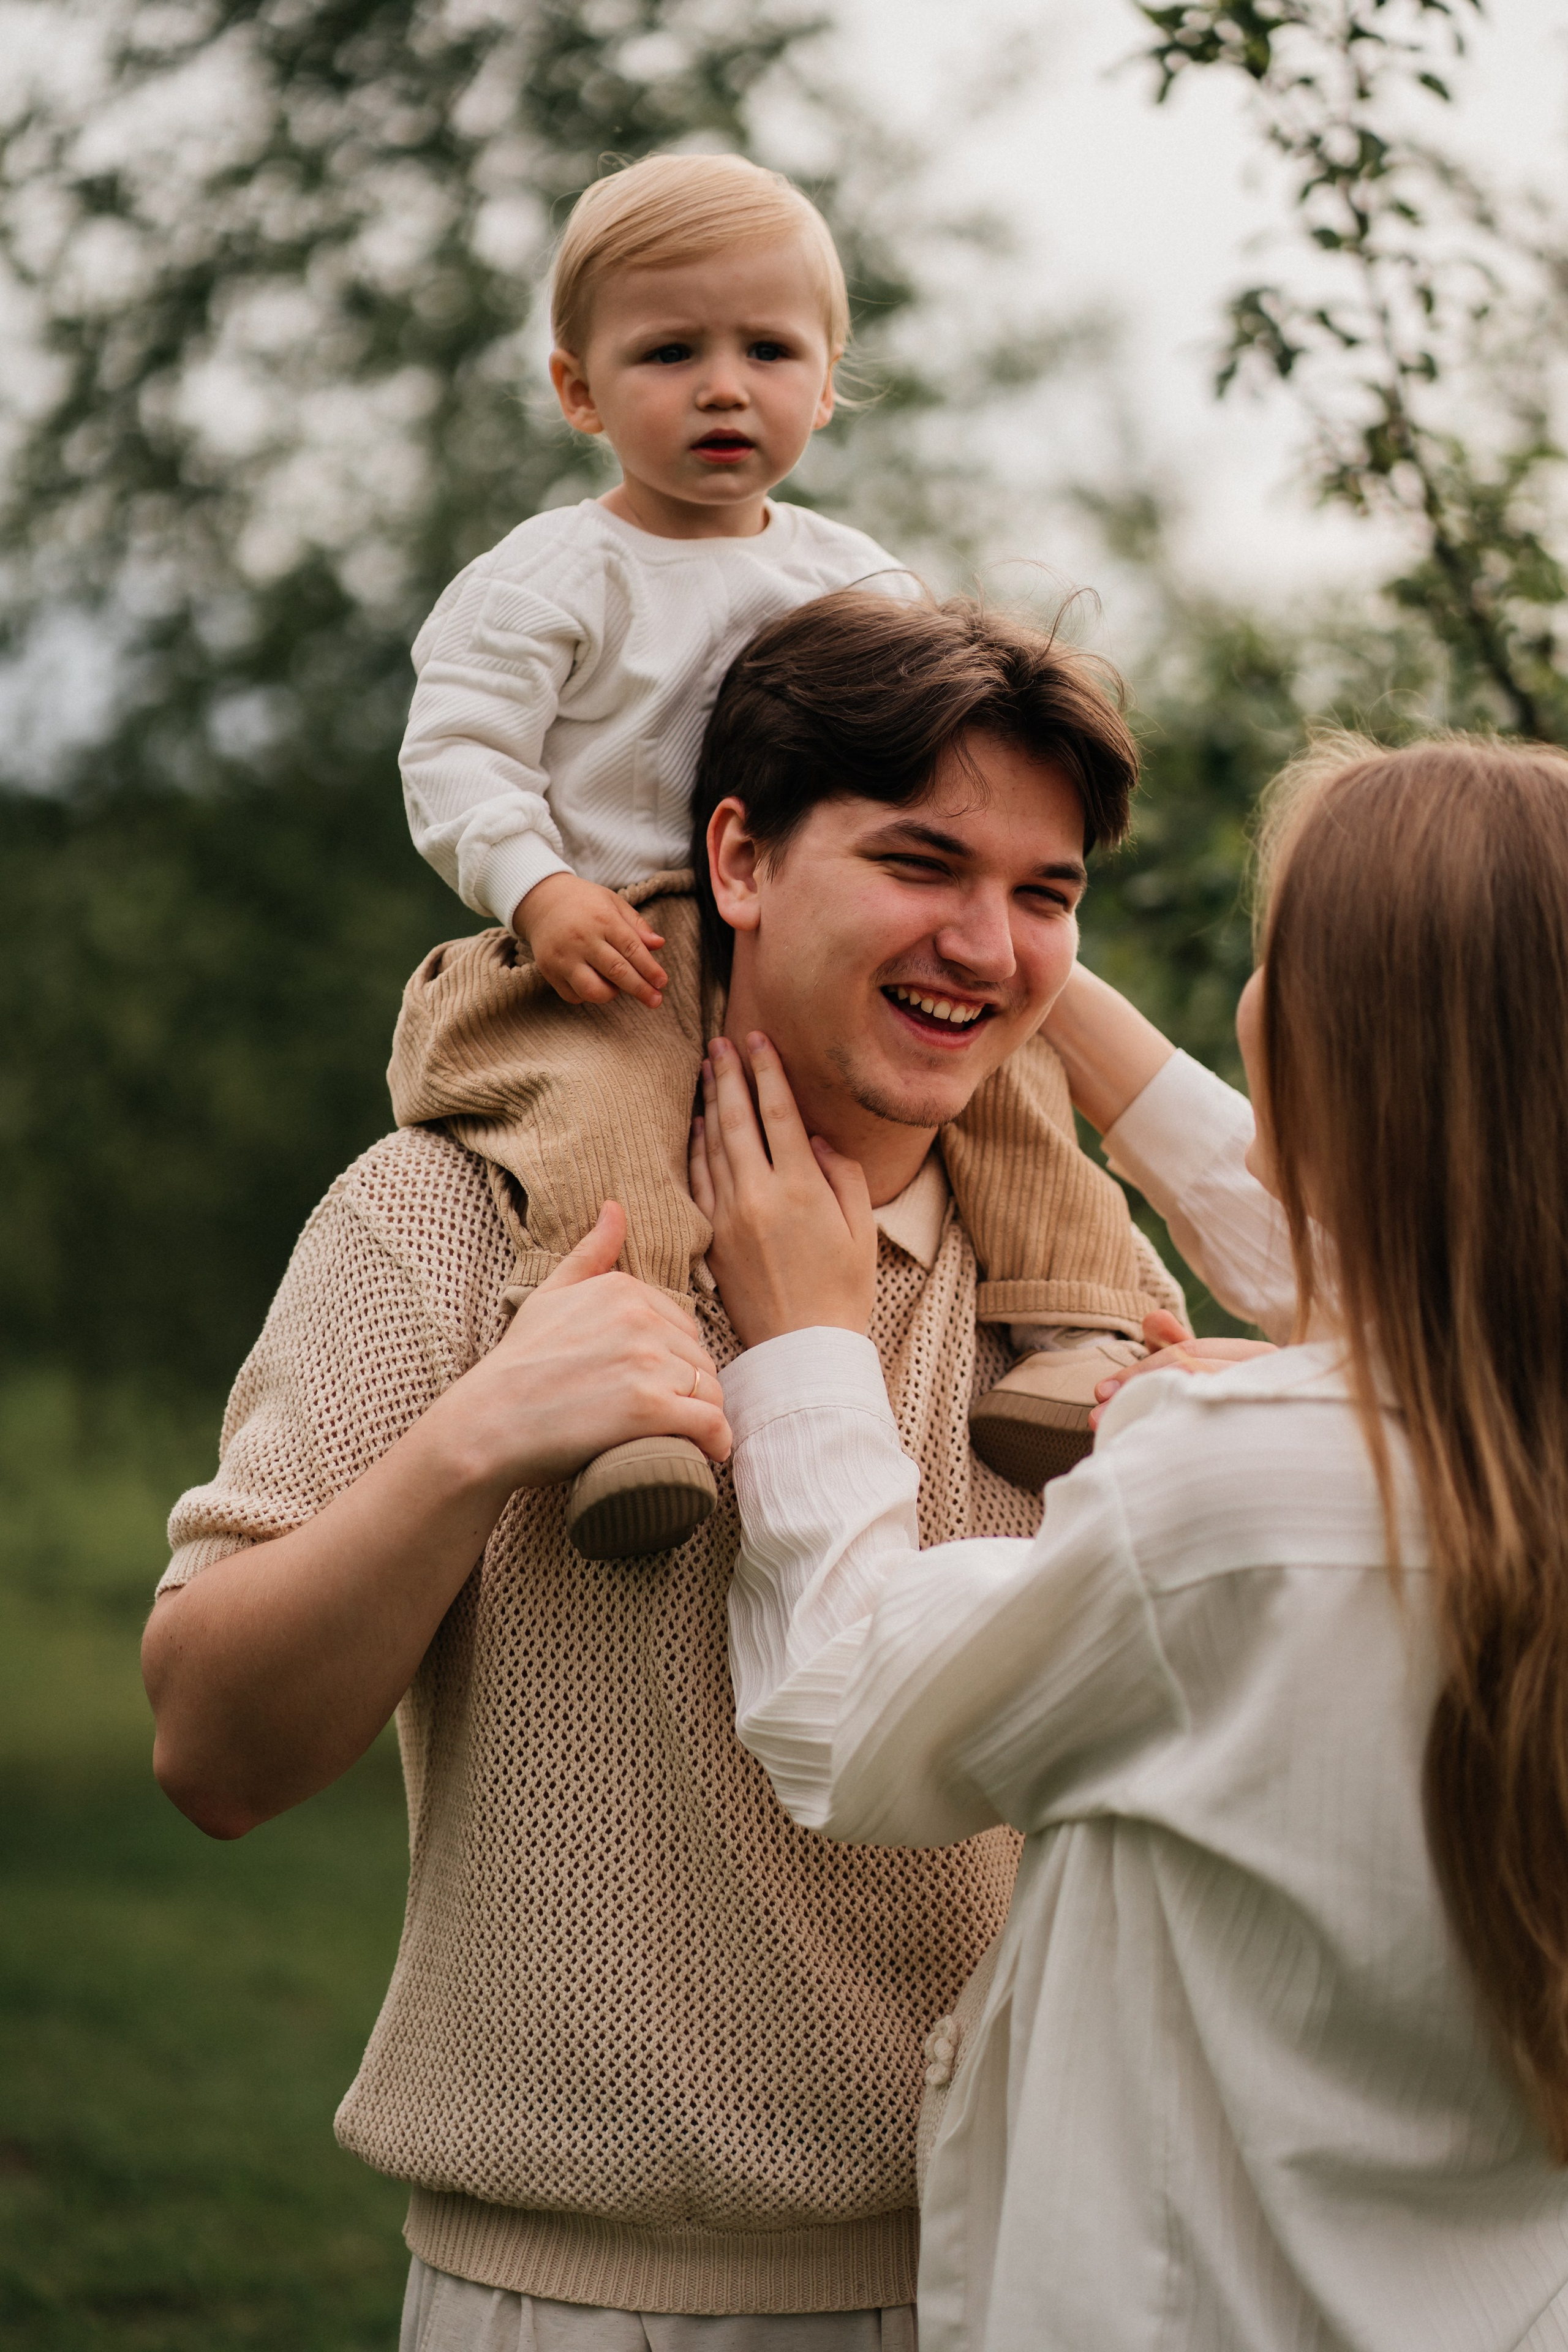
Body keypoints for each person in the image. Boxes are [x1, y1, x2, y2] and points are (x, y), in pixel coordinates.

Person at [141, 612, 1183, 2348]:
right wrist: (474, 1437)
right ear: (740, 857)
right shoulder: (444, 1214)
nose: (985, 948)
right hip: (570, 2303)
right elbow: (213, 1755)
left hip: (1033, 2285)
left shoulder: (1091, 1317)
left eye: (1046, 893)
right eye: (920, 861)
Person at [698, 734, 1568, 2350]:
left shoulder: (1236, 1501)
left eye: (1275, 961)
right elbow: (1443, 1265)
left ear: (1329, 1047)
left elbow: (847, 1712)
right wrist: (1028, 969)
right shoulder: (1475, 1450)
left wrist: (808, 1349)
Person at [393, 148, 1177, 1558]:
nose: (720, 385)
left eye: (767, 350)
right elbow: (454, 756)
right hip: (611, 934)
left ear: (823, 388)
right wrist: (536, 885)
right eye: (667, 351)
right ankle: (623, 1394)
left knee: (1007, 1088)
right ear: (578, 390)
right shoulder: (547, 579)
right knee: (602, 1131)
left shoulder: (852, 579)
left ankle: (1074, 1325)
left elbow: (932, 750)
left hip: (799, 927)